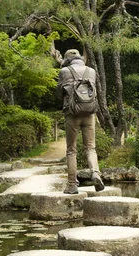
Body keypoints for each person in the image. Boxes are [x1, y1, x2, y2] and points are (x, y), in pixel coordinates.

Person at [56, 48, 105, 195]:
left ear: (67, 59)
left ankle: (72, 185)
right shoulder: (90, 71)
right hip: (89, 113)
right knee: (90, 148)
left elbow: (59, 94)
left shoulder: (64, 71)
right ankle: (95, 173)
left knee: (72, 150)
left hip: (72, 114)